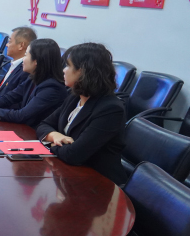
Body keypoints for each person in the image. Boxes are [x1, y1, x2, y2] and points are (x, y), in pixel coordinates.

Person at [36, 43, 128, 185]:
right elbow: (44, 124)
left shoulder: (110, 109)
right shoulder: (75, 97)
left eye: (68, 65)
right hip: (69, 173)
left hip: (98, 183)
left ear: (83, 71)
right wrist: (54, 135)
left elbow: (74, 155)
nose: (63, 70)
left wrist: (51, 144)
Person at [0, 38, 68, 128]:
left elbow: (22, 115)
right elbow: (10, 97)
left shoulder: (52, 88)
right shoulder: (33, 78)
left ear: (36, 61)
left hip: (33, 133)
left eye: (26, 55)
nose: (23, 59)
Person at [0, 26, 37, 98]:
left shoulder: (25, 71)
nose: (6, 45)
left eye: (10, 42)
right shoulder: (14, 64)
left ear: (21, 46)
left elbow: (13, 99)